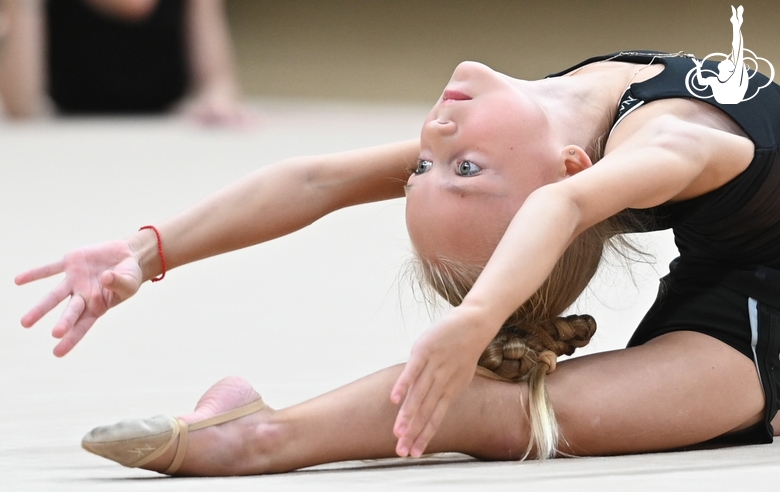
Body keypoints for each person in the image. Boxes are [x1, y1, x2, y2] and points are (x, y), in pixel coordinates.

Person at [16, 45, 780, 476]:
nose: (432, 146)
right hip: (743, 294)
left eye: (444, 169)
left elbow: (327, 181)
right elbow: (319, 180)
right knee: (521, 412)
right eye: (441, 170)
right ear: (579, 165)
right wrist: (146, 253)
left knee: (521, 411)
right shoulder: (629, 144)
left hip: (750, 298)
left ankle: (259, 436)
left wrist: (476, 318)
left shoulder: (625, 147)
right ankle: (258, 435)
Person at [0, 0, 249, 125]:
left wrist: (217, 101)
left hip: (166, 140)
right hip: (70, 140)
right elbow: (20, 108)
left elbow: (219, 81)